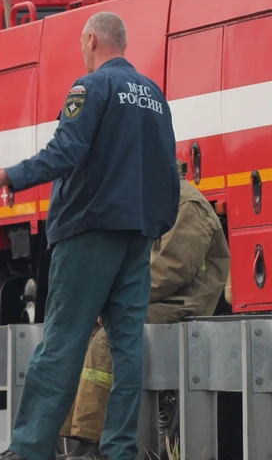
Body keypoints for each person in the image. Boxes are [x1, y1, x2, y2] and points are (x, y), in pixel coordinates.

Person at [0, 11, 179, 460]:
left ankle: (28, 449)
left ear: (92, 39)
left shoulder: (91, 87)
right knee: (127, 348)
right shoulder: (155, 96)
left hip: (89, 234)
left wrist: (7, 175)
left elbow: (66, 151)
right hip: (136, 238)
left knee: (62, 342)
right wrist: (153, 226)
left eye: (83, 45)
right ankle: (121, 451)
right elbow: (167, 173)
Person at [59, 162, 231, 459]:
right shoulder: (157, 202)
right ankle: (81, 439)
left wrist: (116, 302)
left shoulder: (187, 206)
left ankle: (95, 445)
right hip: (154, 300)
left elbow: (171, 271)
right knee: (82, 334)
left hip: (182, 305)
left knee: (107, 341)